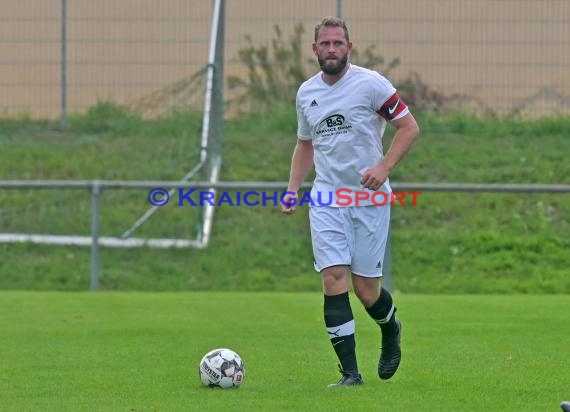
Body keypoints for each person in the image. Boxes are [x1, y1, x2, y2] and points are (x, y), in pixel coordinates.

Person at [281, 16, 420, 387]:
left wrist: (384, 167)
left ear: (348, 48)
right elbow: (305, 144)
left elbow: (409, 127)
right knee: (333, 278)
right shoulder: (306, 93)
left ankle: (390, 329)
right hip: (327, 197)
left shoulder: (371, 84)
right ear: (315, 50)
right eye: (324, 44)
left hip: (368, 199)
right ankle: (350, 375)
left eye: (337, 43)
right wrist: (293, 188)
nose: (331, 49)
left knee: (366, 290)